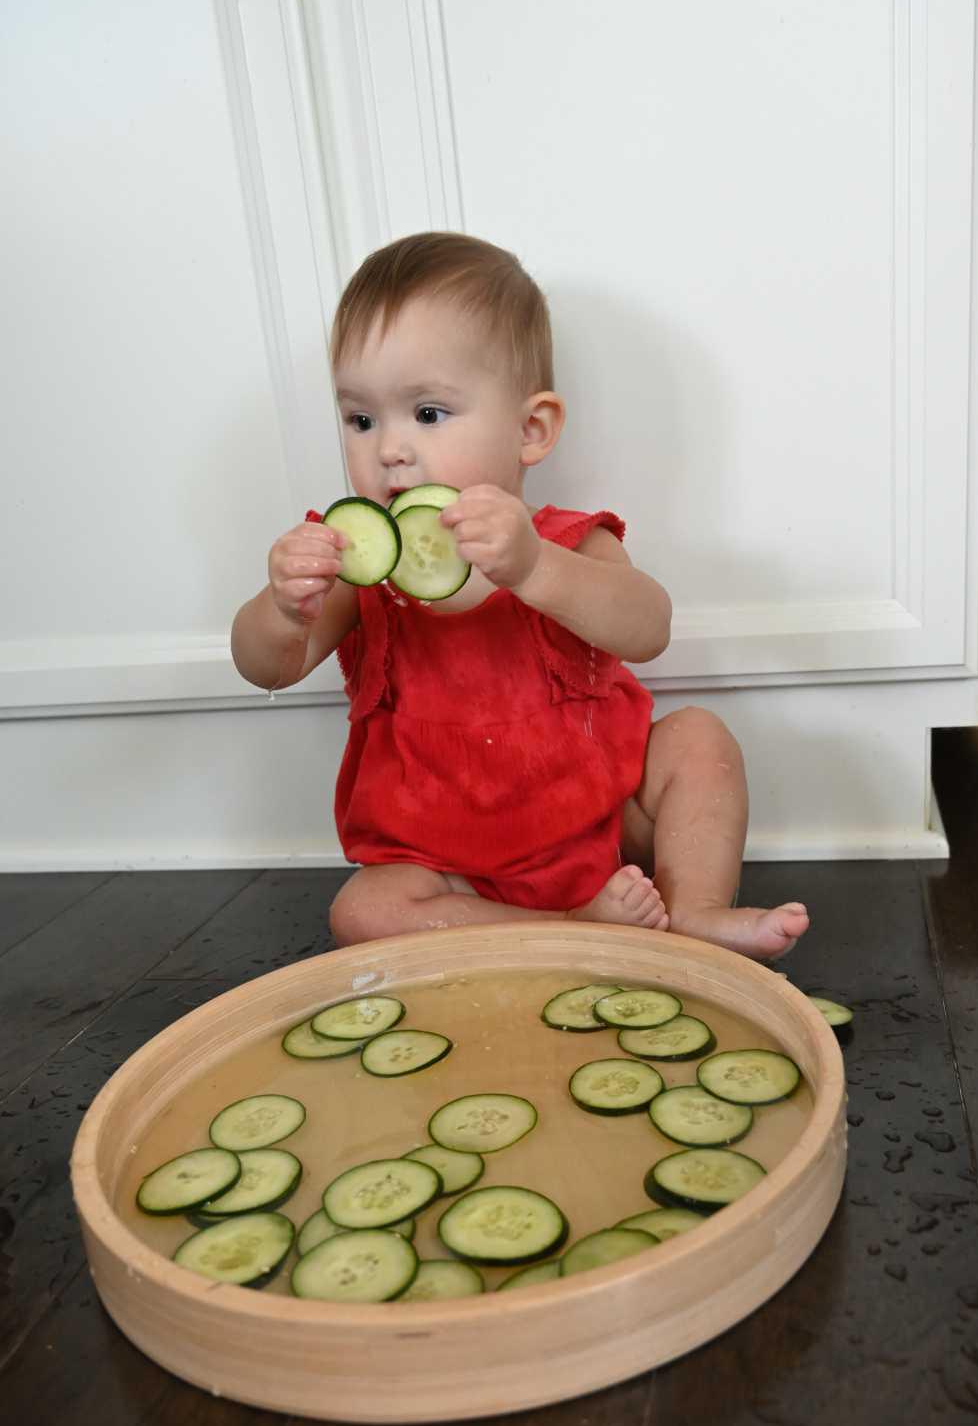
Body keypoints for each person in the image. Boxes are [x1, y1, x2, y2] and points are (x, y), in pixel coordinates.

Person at [231, 232, 810, 961]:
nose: (389, 449)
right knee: (363, 909)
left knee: (700, 742)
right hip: (456, 875)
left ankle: (693, 910)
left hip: (601, 828)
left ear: (530, 430)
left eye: (429, 413)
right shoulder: (354, 563)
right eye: (361, 419)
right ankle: (570, 930)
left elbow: (648, 625)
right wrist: (282, 607)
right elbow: (267, 666)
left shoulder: (564, 541)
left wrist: (536, 570)